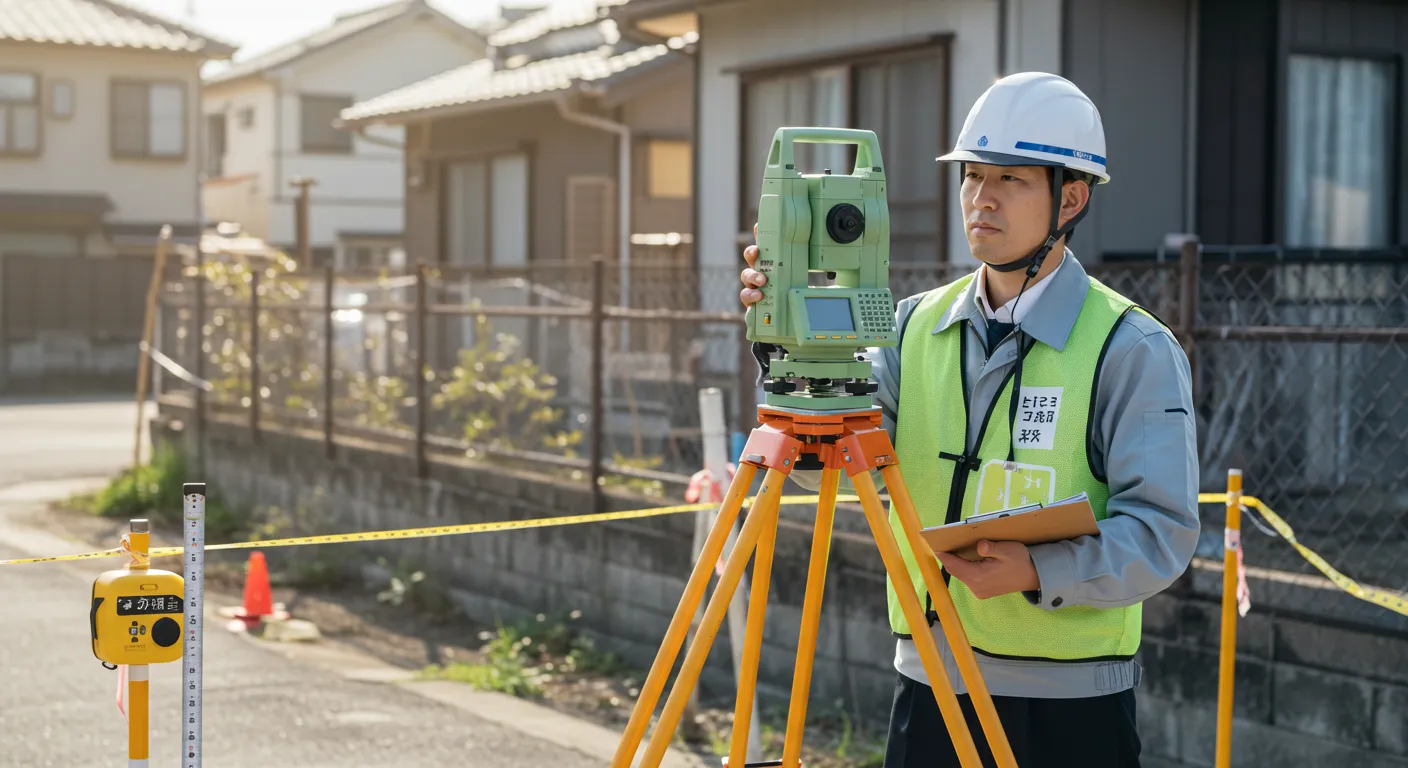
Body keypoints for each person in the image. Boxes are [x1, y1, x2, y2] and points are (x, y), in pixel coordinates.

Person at [738, 72, 1199, 767]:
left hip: (1070, 710)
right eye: (972, 175)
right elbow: (821, 469)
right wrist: (782, 346)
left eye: (1010, 179)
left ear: (1070, 197)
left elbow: (1161, 535)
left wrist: (1037, 569)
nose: (981, 197)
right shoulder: (910, 328)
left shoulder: (1131, 349)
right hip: (929, 684)